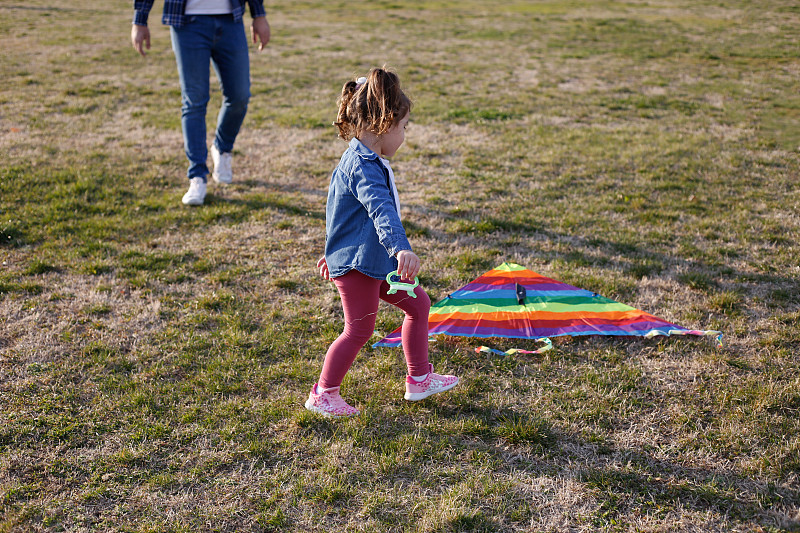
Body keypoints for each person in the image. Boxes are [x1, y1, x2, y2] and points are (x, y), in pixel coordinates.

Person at [307, 68, 459, 418]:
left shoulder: (366, 159)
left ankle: (419, 378)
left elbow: (341, 213)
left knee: (419, 305)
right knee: (358, 329)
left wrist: (333, 250)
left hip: (375, 260)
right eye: (403, 127)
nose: (404, 135)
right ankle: (323, 394)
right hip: (363, 264)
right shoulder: (362, 165)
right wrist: (400, 248)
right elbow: (380, 210)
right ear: (383, 124)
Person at [130, 0, 271, 206]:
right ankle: (197, 176)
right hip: (187, 23)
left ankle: (222, 148)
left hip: (230, 20)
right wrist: (139, 20)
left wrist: (259, 15)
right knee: (194, 101)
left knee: (240, 96)